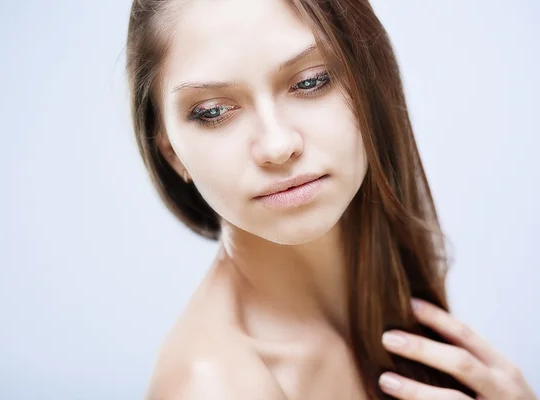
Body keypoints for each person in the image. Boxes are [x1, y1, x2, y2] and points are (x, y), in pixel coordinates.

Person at [125, 0, 537, 398]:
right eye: (214, 111)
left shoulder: (385, 291)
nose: (277, 144)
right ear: (170, 150)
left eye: (310, 82)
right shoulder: (215, 387)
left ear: (370, 84)